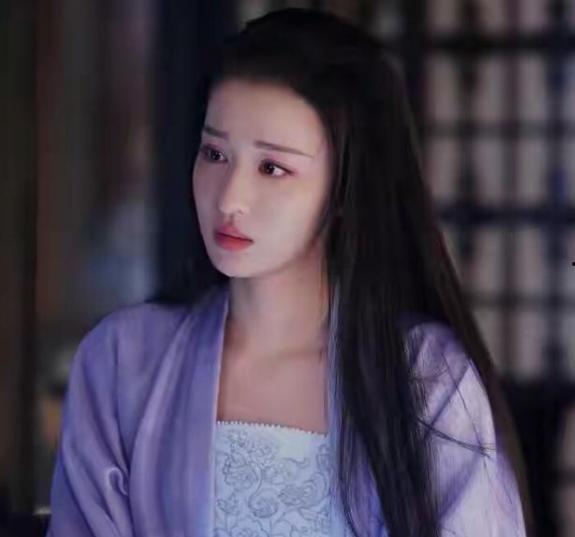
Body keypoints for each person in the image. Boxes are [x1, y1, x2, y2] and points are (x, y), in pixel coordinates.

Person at [46, 8, 535, 537]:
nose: (230, 198)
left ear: (344, 188)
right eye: (214, 153)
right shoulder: (124, 361)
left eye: (272, 168)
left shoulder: (426, 377)